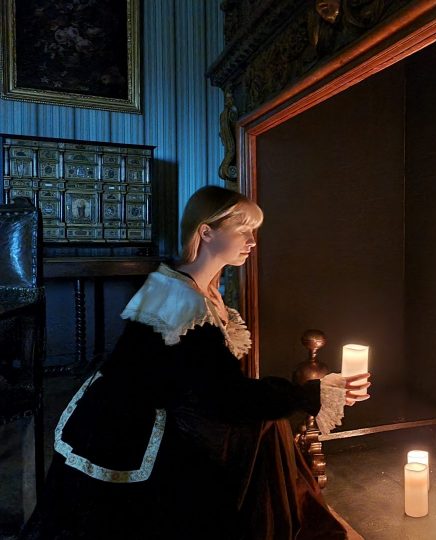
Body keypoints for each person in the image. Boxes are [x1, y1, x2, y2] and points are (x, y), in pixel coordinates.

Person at [21, 186, 370, 539]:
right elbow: (227, 395)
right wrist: (310, 393)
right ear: (206, 232)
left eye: (254, 231)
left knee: (267, 429)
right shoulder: (182, 303)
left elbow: (212, 384)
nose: (251, 241)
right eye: (243, 230)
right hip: (136, 428)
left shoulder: (199, 289)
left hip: (175, 408)